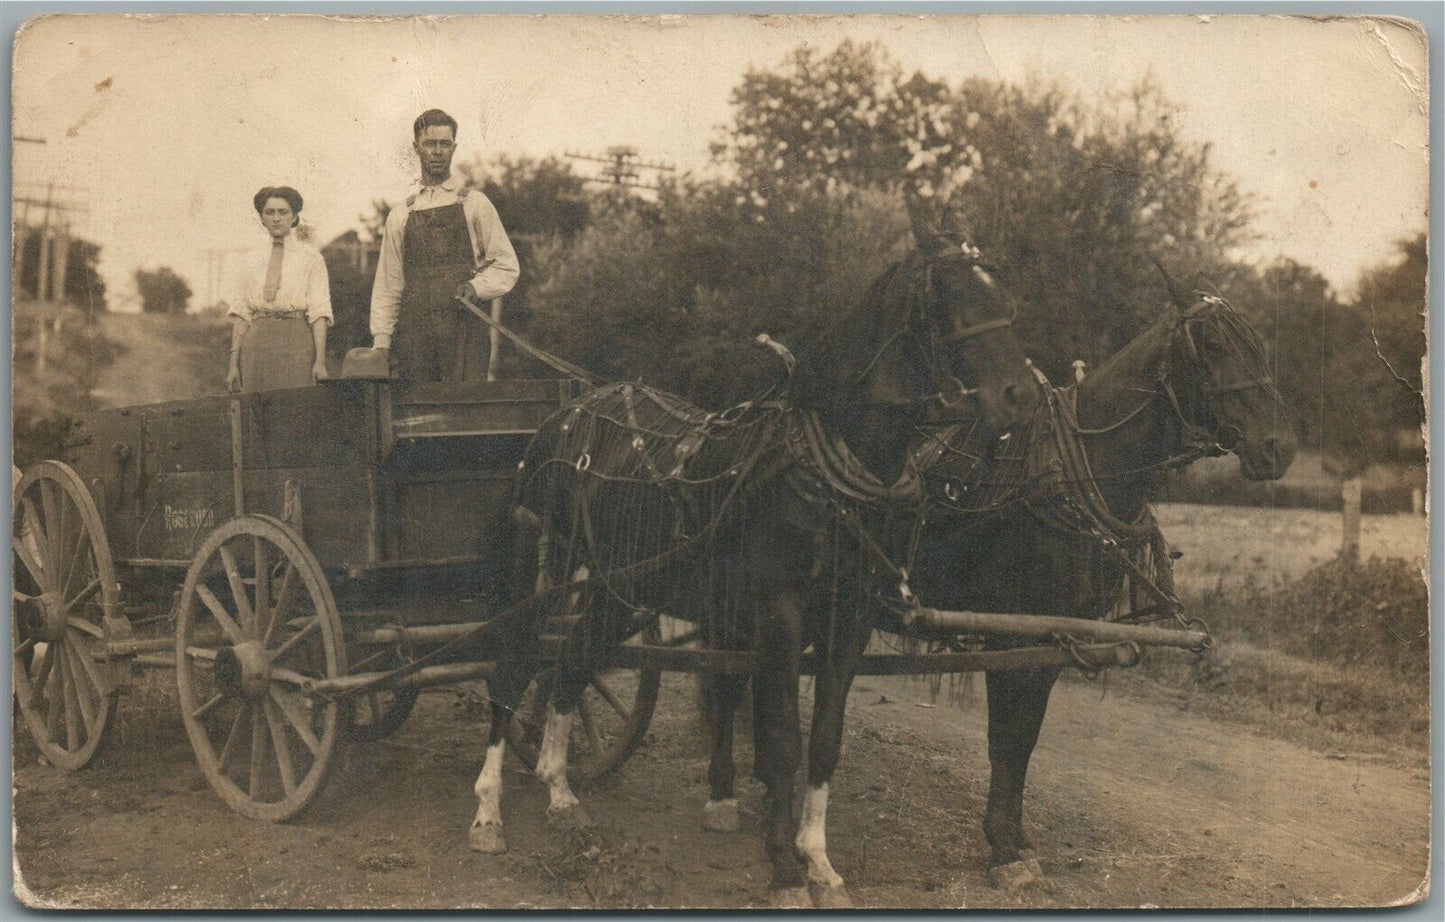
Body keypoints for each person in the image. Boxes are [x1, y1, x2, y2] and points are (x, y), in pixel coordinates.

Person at [369, 108, 519, 381]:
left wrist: (476, 286)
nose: (437, 151)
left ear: (454, 147)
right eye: (430, 143)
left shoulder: (475, 204)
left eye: (444, 144)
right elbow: (388, 284)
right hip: (415, 336)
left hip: (465, 333)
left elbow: (507, 266)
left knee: (463, 411)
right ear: (416, 148)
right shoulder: (401, 214)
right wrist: (381, 343)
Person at [227, 186, 333, 392]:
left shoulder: (311, 259)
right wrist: (233, 366)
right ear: (261, 218)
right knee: (257, 411)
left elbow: (319, 313)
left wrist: (320, 362)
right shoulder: (249, 260)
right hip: (257, 345)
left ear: (294, 217)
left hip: (297, 343)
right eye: (270, 212)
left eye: (283, 212)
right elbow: (242, 315)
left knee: (296, 410)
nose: (276, 218)